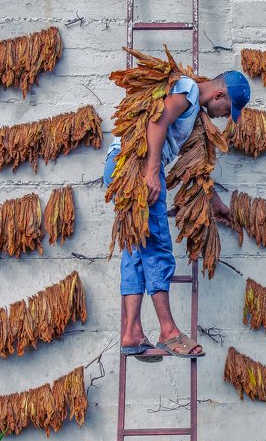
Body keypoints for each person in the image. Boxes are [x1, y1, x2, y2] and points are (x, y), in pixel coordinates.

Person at [103, 69, 251, 361]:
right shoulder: (188, 90)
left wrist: (215, 202)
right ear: (219, 95)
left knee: (136, 249)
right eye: (228, 110)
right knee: (158, 246)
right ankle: (169, 331)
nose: (225, 116)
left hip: (120, 166)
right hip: (136, 165)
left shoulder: (195, 112)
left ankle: (131, 333)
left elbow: (195, 169)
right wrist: (151, 171)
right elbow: (156, 121)